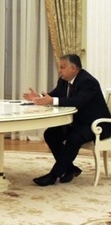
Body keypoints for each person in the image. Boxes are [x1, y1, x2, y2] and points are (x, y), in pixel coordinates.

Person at [23, 53, 111, 186]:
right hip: (77, 122)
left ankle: (53, 175)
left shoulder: (88, 81)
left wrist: (51, 100)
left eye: (63, 67)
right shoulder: (63, 80)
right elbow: (54, 95)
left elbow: (78, 101)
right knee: (50, 134)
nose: (60, 71)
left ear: (73, 68)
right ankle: (70, 169)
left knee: (74, 138)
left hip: (96, 124)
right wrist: (39, 97)